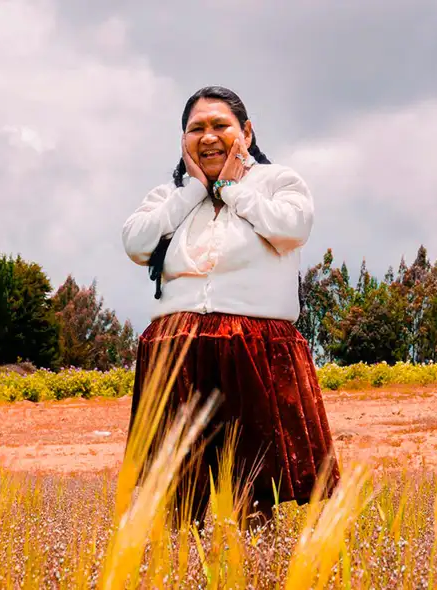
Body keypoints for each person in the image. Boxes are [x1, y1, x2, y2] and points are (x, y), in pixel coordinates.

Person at [121, 85, 339, 525]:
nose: (208, 136)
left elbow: (293, 228)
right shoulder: (170, 194)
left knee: (253, 489)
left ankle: (256, 572)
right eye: (195, 128)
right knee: (178, 495)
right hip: (177, 350)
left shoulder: (278, 182)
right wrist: (195, 192)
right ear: (182, 140)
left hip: (252, 347)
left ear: (247, 132)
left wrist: (232, 189)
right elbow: (136, 242)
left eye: (220, 125)